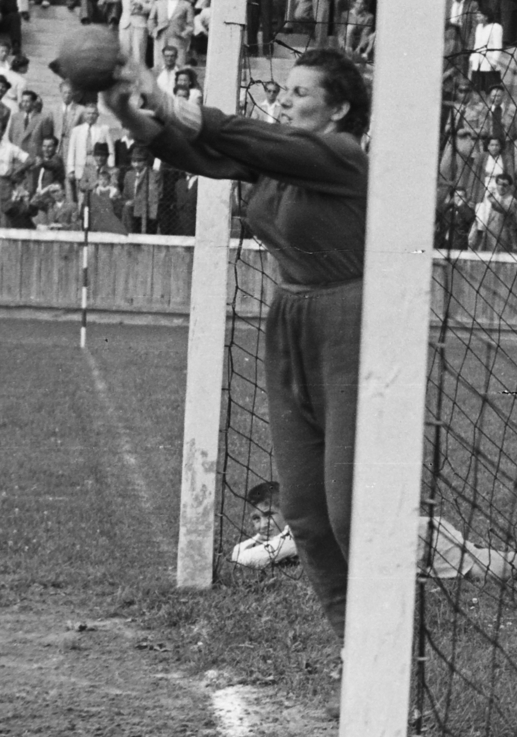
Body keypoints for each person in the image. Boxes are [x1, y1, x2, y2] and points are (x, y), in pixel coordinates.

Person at [105, 47, 370, 634]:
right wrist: (129, 112)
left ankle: (391, 643)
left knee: (352, 512)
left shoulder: (341, 154)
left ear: (340, 108)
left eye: (302, 92)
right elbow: (199, 151)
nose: (285, 97)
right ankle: (354, 645)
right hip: (293, 319)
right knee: (304, 511)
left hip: (352, 325)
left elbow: (250, 140)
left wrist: (173, 101)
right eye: (286, 86)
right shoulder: (281, 159)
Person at [228, 482, 300, 568]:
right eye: (256, 518)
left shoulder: (295, 533)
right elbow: (236, 551)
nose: (262, 525)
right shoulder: (277, 531)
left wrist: (257, 547)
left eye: (269, 515)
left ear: (286, 512)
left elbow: (245, 560)